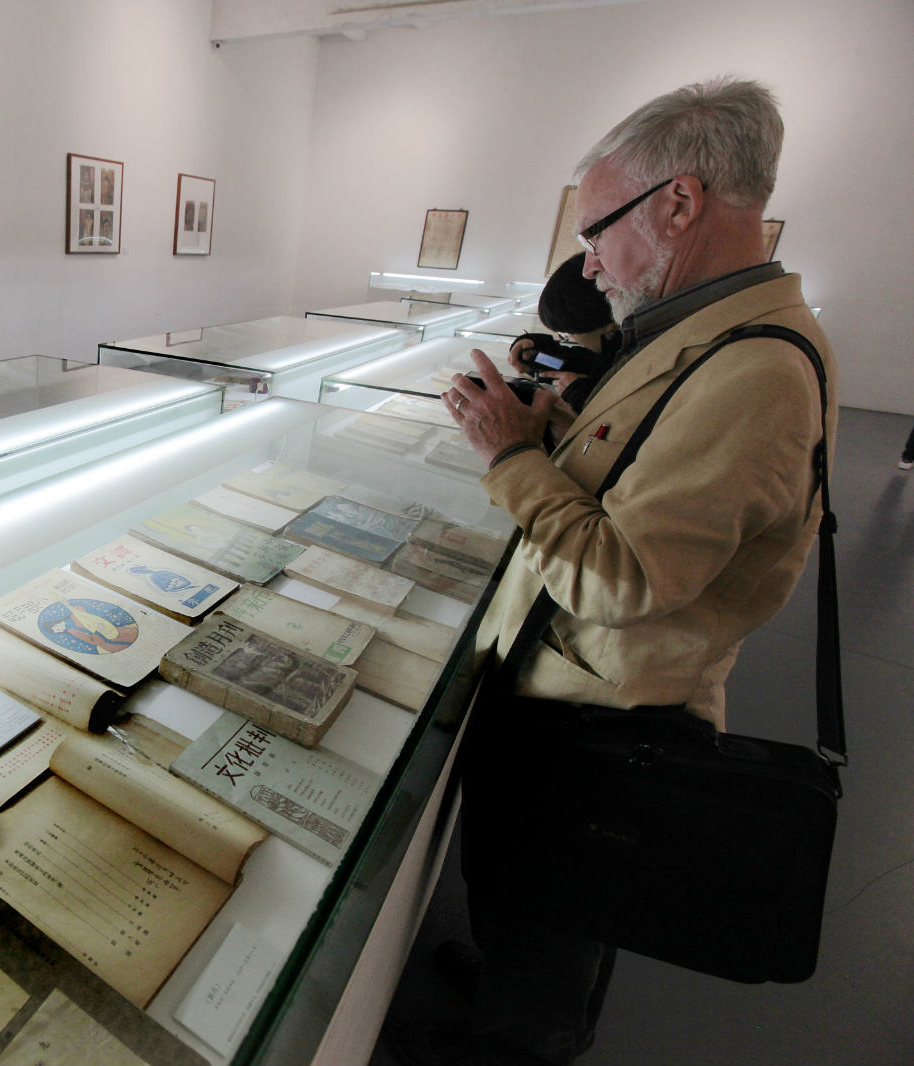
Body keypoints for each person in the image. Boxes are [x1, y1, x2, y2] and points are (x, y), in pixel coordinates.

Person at [387, 77, 838, 1066]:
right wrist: (550, 428)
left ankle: (517, 1041)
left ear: (678, 204)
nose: (587, 261)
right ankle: (508, 985)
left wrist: (511, 456)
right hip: (570, 675)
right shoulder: (696, 332)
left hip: (606, 703)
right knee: (531, 892)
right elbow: (635, 470)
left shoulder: (754, 371)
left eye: (595, 230)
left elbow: (622, 581)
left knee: (561, 904)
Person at [506, 251, 620, 418]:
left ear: (609, 325)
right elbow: (583, 362)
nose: (569, 338)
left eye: (569, 332)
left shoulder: (630, 355)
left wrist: (581, 395)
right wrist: (537, 349)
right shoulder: (614, 346)